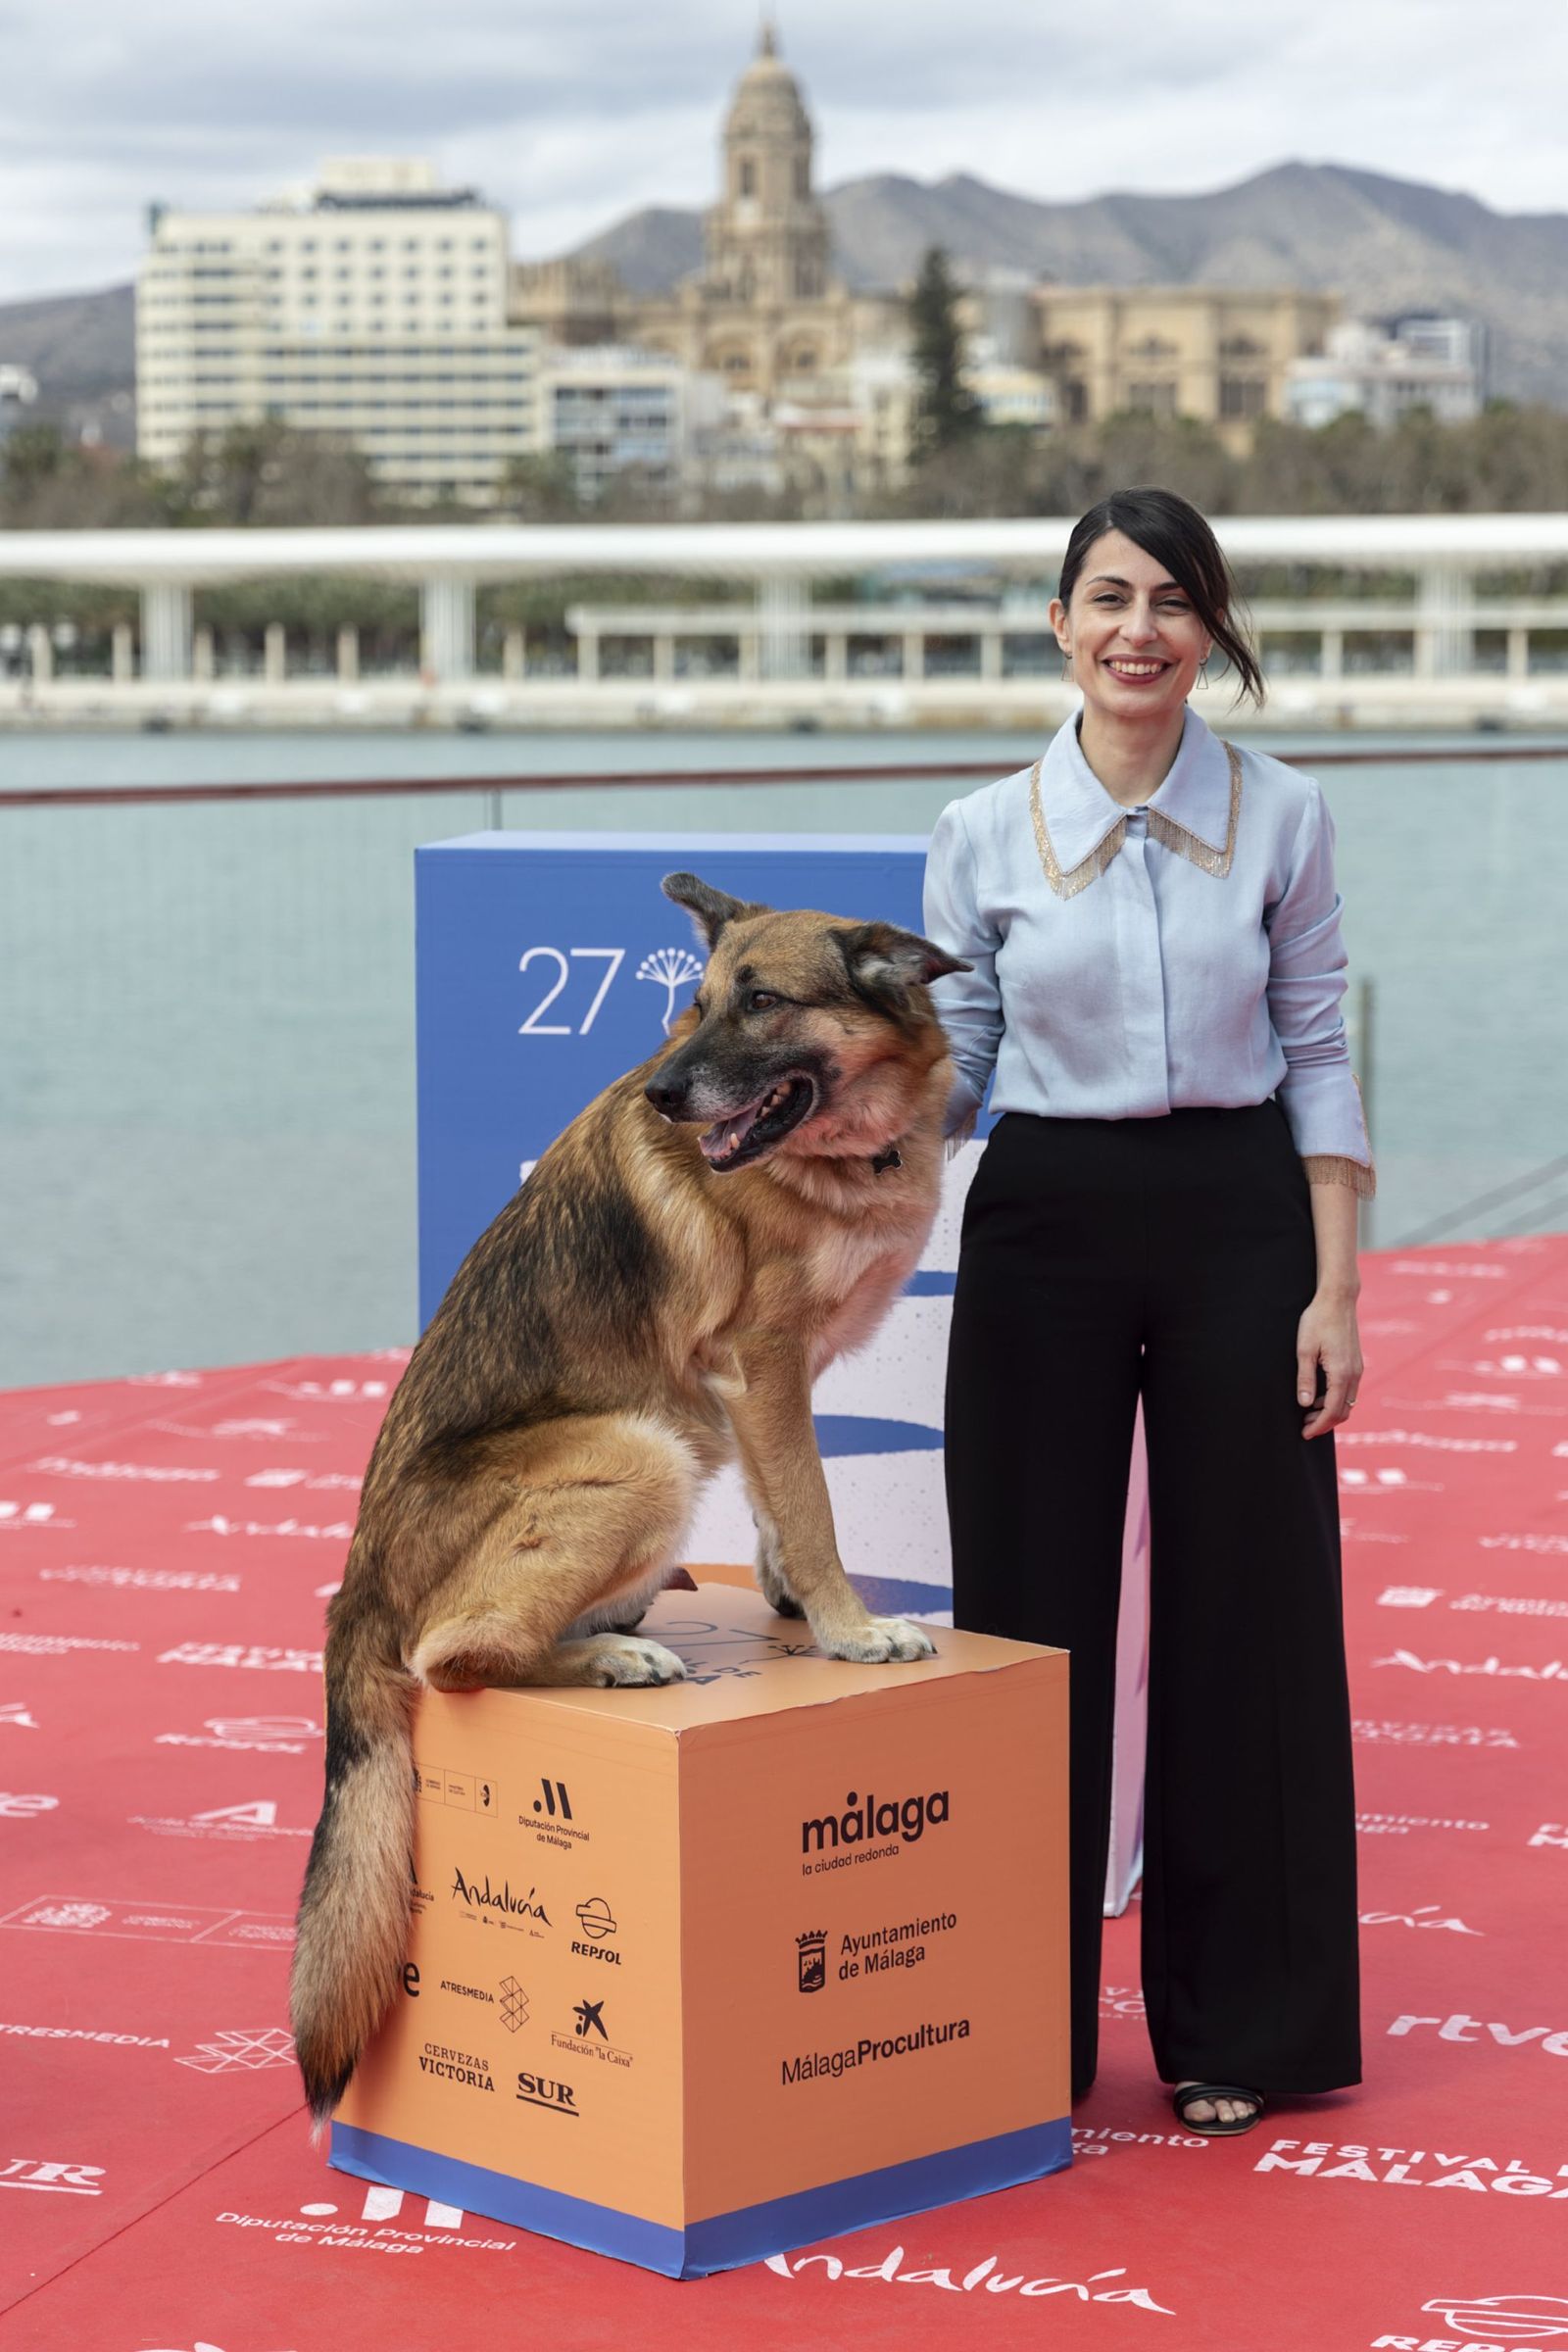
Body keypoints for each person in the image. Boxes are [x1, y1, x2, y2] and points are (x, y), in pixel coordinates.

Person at [922, 486, 1371, 2138]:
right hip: (1043, 1218)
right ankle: (1007, 2043)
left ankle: (1237, 2027)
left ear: (1213, 632)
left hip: (1245, 1223)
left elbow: (1322, 1055)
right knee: (1024, 1625)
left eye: (1175, 602)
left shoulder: (1287, 815)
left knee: (1246, 1619)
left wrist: (1333, 1288)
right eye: (1108, 597)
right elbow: (954, 1076)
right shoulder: (977, 830)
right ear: (1057, 622)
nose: (1139, 630)